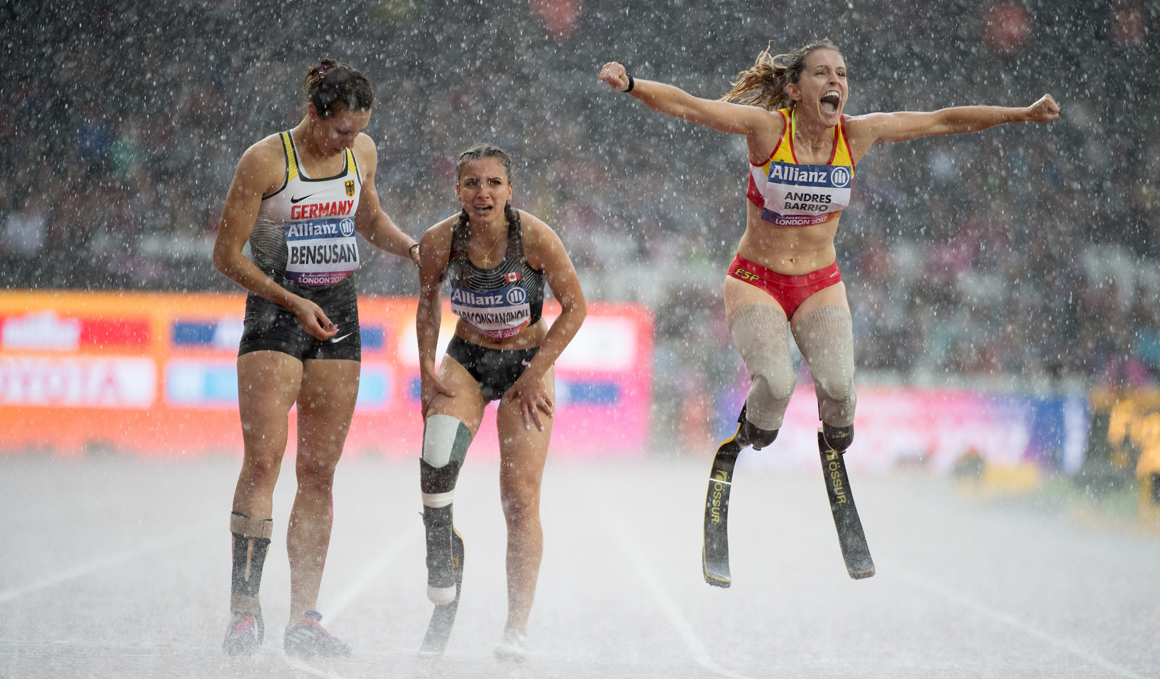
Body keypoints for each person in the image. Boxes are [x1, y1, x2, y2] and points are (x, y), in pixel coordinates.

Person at [600, 40, 1058, 455]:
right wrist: (631, 85)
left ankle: (835, 434)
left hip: (820, 283)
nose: (834, 80)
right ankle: (753, 431)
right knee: (777, 387)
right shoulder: (766, 130)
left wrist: (1021, 112)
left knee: (840, 390)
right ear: (796, 90)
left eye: (841, 73)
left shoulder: (857, 135)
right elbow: (691, 106)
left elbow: (943, 120)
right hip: (756, 280)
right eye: (821, 72)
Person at [213, 58, 420, 657]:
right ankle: (244, 611)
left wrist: (410, 249)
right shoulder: (265, 161)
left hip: (339, 311)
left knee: (320, 474)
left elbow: (369, 219)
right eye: (338, 131)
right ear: (312, 114)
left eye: (357, 131)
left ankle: (304, 617)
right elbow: (226, 255)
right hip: (277, 311)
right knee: (264, 462)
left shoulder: (363, 153)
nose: (348, 141)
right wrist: (290, 300)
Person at [415, 143, 586, 662]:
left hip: (524, 367)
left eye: (493, 183)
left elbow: (576, 307)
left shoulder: (534, 237)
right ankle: (443, 551)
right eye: (471, 183)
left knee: (518, 498)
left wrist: (536, 373)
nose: (482, 192)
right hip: (467, 358)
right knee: (435, 462)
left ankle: (515, 629)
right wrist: (426, 368)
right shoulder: (439, 240)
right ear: (458, 191)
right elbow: (426, 305)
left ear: (510, 192)